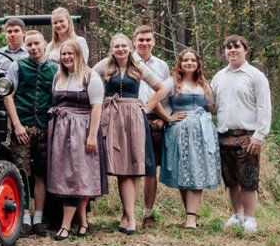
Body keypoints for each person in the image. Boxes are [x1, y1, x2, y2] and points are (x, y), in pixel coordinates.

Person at [92, 34, 171, 234]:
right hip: (112, 116)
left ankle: (129, 217)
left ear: (129, 47)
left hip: (134, 118)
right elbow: (88, 77)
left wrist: (147, 107)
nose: (120, 49)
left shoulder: (138, 67)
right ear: (111, 49)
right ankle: (129, 216)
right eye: (116, 46)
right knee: (122, 168)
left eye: (123, 46)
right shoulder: (105, 66)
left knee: (134, 166)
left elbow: (161, 88)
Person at [210, 35, 272, 234]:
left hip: (248, 136)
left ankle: (250, 218)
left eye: (236, 47)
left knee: (248, 179)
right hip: (224, 134)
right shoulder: (219, 77)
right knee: (231, 179)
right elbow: (213, 106)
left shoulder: (255, 76)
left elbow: (264, 107)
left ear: (245, 50)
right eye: (228, 47)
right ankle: (236, 215)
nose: (232, 51)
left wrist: (259, 134)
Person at [47, 39, 107, 239]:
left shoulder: (91, 77)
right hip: (61, 132)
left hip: (82, 129)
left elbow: (97, 107)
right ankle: (82, 221)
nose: (66, 57)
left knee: (78, 175)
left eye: (70, 53)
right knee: (70, 175)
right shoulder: (58, 77)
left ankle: (65, 226)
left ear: (79, 55)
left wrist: (91, 137)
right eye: (63, 54)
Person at [1, 30, 58, 237]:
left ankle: (39, 218)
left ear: (45, 44)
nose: (33, 48)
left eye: (36, 44)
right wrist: (16, 125)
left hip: (45, 129)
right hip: (23, 128)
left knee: (42, 174)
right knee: (22, 172)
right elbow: (8, 96)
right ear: (26, 47)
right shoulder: (17, 66)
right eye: (29, 45)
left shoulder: (55, 70)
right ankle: (24, 217)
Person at [157, 48, 220, 229]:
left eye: (193, 60)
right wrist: (168, 118)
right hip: (180, 132)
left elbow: (212, 108)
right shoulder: (172, 83)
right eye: (186, 60)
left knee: (196, 171)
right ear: (180, 63)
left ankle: (191, 218)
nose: (189, 63)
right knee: (184, 174)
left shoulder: (204, 85)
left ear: (198, 63)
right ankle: (190, 217)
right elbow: (155, 101)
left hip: (201, 131)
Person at [133, 25, 171, 228]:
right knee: (130, 169)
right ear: (134, 42)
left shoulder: (162, 66)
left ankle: (148, 213)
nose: (145, 43)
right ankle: (128, 213)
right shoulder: (126, 60)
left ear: (154, 42)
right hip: (131, 120)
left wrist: (164, 118)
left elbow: (165, 95)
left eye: (148, 40)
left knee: (150, 169)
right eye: (141, 40)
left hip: (153, 122)